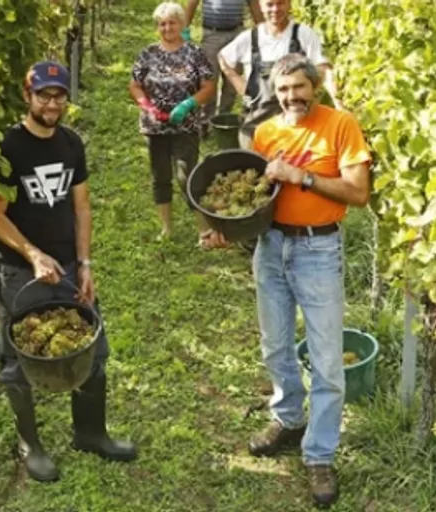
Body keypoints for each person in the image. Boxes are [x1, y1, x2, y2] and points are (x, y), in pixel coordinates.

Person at [202, 54, 372, 507]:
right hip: (272, 248)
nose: (291, 97)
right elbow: (257, 199)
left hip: (319, 249)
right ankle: (289, 418)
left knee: (326, 359)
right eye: (283, 90)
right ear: (274, 93)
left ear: (313, 86)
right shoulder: (266, 133)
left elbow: (358, 192)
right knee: (275, 345)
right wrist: (224, 226)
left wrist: (303, 177)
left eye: (299, 87)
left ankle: (319, 454)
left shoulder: (341, 126)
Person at [0, 60, 137, 483]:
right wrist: (32, 254)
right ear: (27, 96)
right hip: (22, 272)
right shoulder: (8, 148)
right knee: (20, 360)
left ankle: (90, 433)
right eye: (44, 95)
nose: (52, 103)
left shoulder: (71, 144)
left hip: (69, 266)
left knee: (92, 350)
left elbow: (82, 206)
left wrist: (85, 263)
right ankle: (30, 445)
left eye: (59, 95)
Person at [129, 2, 216, 241]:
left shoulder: (194, 53)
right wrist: (146, 105)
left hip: (185, 124)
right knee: (160, 175)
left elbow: (208, 86)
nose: (167, 27)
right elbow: (135, 84)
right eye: (162, 24)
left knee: (186, 174)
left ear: (181, 24)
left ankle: (203, 229)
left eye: (172, 22)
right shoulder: (148, 53)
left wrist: (189, 104)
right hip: (155, 126)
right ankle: (166, 228)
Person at [218, 0, 341, 150]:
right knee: (254, 168)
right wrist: (242, 86)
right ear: (261, 6)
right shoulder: (250, 37)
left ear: (289, 4)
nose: (275, 9)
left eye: (280, 3)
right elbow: (223, 58)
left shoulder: (303, 34)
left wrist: (335, 100)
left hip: (297, 124)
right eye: (270, 4)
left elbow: (323, 67)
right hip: (257, 125)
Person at [184, 0, 264, 122]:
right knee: (209, 78)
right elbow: (192, 3)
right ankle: (206, 120)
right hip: (212, 34)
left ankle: (223, 117)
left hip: (236, 34)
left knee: (232, 81)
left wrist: (264, 31)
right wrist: (184, 29)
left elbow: (254, 5)